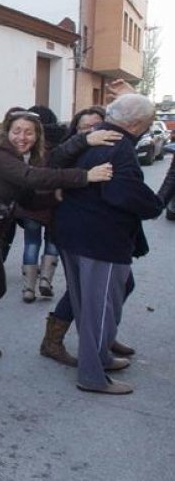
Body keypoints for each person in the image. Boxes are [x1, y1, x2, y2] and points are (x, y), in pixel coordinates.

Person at [0, 111, 113, 380]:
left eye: (29, 132)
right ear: (6, 133)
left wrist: (56, 198)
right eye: (17, 131)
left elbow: (28, 199)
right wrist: (84, 176)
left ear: (36, 137)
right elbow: (31, 178)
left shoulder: (17, 159)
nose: (22, 137)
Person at [54, 94, 162, 394]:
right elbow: (122, 194)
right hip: (100, 240)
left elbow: (55, 162)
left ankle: (99, 357)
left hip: (71, 234)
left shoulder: (89, 137)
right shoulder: (120, 146)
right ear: (137, 123)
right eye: (149, 122)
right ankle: (92, 376)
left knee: (86, 306)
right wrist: (156, 204)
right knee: (99, 310)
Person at [39, 106, 131, 366]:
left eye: (97, 125)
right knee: (80, 291)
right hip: (77, 232)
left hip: (105, 232)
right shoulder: (72, 150)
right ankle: (56, 341)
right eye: (84, 128)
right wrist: (84, 142)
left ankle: (102, 336)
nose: (93, 132)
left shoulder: (114, 147)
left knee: (120, 285)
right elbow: (52, 163)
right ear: (76, 132)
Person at [15, 105, 69, 302]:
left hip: (31, 203)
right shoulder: (63, 142)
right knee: (52, 242)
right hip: (55, 203)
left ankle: (28, 289)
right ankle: (45, 280)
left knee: (31, 242)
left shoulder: (30, 142)